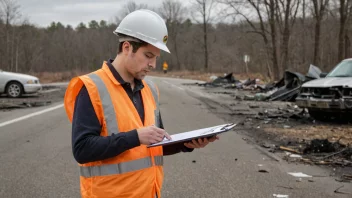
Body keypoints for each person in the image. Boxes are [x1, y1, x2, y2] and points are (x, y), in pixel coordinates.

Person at [64, 9, 218, 198]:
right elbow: (82, 149)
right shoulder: (91, 87)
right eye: (148, 55)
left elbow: (154, 142)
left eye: (156, 58)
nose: (153, 64)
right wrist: (135, 137)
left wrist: (185, 144)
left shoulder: (150, 89)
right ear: (127, 47)